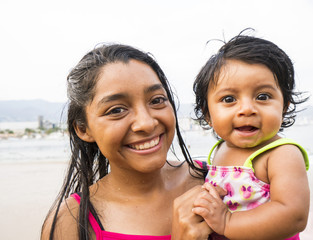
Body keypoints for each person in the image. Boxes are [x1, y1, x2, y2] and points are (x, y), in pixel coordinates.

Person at [41, 43, 211, 240]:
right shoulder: (71, 222)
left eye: (156, 100)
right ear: (83, 128)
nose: (146, 123)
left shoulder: (214, 181)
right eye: (116, 110)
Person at [192, 30, 310, 240]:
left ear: (284, 106)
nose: (247, 109)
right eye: (229, 99)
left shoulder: (282, 154)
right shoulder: (219, 149)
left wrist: (227, 222)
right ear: (207, 114)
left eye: (262, 96)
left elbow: (294, 215)